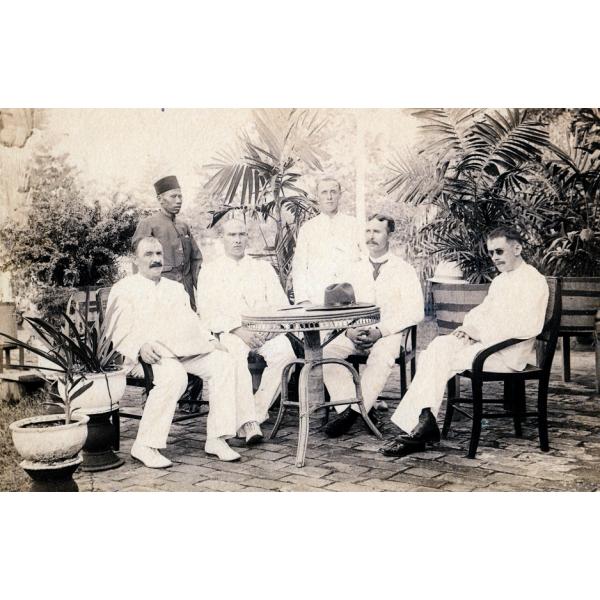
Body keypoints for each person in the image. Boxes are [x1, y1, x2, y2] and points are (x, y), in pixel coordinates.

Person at [380, 226, 549, 457]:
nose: (495, 258)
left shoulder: (533, 281)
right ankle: (424, 418)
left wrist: (480, 334)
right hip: (487, 344)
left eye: (499, 251)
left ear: (517, 248)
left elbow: (527, 326)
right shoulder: (502, 280)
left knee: (438, 357)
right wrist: (467, 328)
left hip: (508, 353)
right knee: (437, 347)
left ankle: (421, 428)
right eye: (491, 253)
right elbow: (483, 311)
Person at [106, 236, 261, 467]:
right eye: (148, 254)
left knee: (224, 362)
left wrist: (210, 340)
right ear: (135, 259)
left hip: (183, 351)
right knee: (174, 376)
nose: (156, 259)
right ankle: (145, 445)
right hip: (148, 355)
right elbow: (115, 328)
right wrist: (139, 347)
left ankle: (217, 438)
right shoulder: (124, 289)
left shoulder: (175, 288)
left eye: (158, 254)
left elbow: (193, 322)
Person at [321, 214, 425, 437]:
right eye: (368, 231)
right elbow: (338, 306)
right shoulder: (353, 268)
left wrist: (381, 331)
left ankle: (353, 415)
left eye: (377, 232)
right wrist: (348, 329)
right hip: (355, 332)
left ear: (389, 235)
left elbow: (416, 311)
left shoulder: (404, 269)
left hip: (388, 333)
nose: (371, 236)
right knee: (327, 353)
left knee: (382, 356)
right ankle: (352, 410)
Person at [197, 218, 297, 425]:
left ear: (247, 238)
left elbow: (281, 305)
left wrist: (271, 330)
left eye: (241, 234)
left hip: (265, 331)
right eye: (231, 235)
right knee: (233, 356)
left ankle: (256, 412)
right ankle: (246, 419)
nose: (237, 240)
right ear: (222, 238)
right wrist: (237, 330)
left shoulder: (262, 268)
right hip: (232, 332)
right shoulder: (210, 271)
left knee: (286, 354)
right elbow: (207, 314)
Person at [132, 175, 202, 310]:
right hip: (161, 295)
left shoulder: (183, 226)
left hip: (186, 294)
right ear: (160, 199)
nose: (178, 201)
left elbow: (196, 260)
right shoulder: (148, 224)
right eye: (173, 196)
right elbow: (140, 263)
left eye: (180, 196)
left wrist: (203, 291)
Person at [291, 176, 362, 304]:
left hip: (351, 298)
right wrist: (303, 300)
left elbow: (364, 261)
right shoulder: (308, 229)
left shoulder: (354, 225)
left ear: (340, 195)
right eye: (324, 192)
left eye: (333, 192)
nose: (329, 197)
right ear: (317, 196)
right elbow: (299, 267)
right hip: (317, 299)